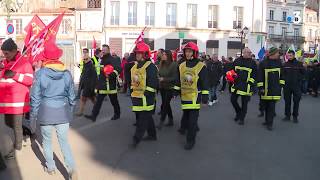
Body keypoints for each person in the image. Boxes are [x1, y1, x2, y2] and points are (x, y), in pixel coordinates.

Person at [30, 44, 77, 179]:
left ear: (45, 58)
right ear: (58, 57)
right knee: (64, 142)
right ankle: (71, 168)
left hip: (46, 113)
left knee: (47, 141)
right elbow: (72, 97)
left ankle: (50, 167)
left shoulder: (40, 74)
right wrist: (70, 112)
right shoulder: (67, 74)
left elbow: (35, 98)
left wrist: (33, 117)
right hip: (62, 112)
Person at [0, 38, 34, 159]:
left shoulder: (24, 62)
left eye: (6, 53)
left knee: (16, 125)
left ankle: (17, 148)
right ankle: (25, 130)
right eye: (3, 53)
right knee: (8, 123)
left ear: (14, 51)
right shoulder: (5, 62)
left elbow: (30, 80)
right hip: (6, 101)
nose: (4, 55)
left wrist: (15, 75)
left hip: (18, 101)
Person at [173, 42, 209, 150]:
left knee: (192, 120)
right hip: (184, 97)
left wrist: (205, 97)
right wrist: (175, 92)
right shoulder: (181, 65)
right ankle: (186, 127)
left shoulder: (200, 66)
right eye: (186, 51)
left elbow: (204, 82)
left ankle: (190, 140)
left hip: (195, 97)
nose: (187, 53)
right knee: (187, 115)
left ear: (194, 52)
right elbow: (178, 80)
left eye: (190, 51)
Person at [129, 42, 158, 148]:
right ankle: (152, 135)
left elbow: (153, 82)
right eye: (136, 53)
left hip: (146, 98)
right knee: (147, 118)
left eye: (140, 53)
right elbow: (132, 81)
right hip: (136, 97)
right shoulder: (135, 66)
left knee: (142, 120)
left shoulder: (150, 66)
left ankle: (136, 139)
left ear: (145, 54)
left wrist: (147, 93)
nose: (137, 55)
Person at [85, 44, 122, 122]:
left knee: (114, 102)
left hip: (110, 86)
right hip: (102, 85)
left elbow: (118, 69)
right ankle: (93, 116)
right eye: (103, 49)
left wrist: (111, 75)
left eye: (105, 49)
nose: (104, 51)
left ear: (109, 50)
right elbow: (100, 71)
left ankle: (117, 114)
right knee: (98, 102)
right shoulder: (101, 59)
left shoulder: (113, 59)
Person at [257, 47, 285, 131]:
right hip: (265, 89)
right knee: (265, 106)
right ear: (272, 54)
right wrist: (261, 87)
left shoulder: (279, 63)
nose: (278, 54)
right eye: (277, 53)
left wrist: (281, 85)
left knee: (272, 107)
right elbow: (260, 76)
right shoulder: (263, 63)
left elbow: (282, 75)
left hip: (275, 89)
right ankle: (267, 120)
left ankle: (270, 123)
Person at [230, 48, 257, 125]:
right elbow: (232, 71)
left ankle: (242, 118)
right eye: (248, 52)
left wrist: (250, 83)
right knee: (233, 100)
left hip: (246, 86)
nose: (250, 54)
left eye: (250, 52)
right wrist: (231, 77)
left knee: (244, 104)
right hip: (237, 85)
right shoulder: (237, 61)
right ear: (243, 53)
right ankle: (238, 113)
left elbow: (254, 75)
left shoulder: (253, 63)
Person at [282, 50, 305, 123]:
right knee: (287, 102)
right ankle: (287, 116)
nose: (289, 57)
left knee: (296, 102)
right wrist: (284, 82)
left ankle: (295, 117)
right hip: (287, 86)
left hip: (296, 86)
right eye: (288, 55)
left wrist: (299, 80)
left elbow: (304, 73)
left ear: (294, 55)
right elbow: (282, 75)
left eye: (291, 55)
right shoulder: (285, 64)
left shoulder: (299, 64)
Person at [157, 50, 178, 129]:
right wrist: (158, 77)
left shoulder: (174, 64)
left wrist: (164, 79)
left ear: (169, 56)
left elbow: (175, 78)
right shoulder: (161, 64)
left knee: (165, 105)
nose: (163, 55)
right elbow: (159, 74)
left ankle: (161, 122)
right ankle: (171, 120)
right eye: (163, 54)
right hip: (162, 87)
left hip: (170, 88)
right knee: (166, 104)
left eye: (165, 54)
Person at [75, 48, 98, 116]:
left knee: (83, 98)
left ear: (89, 59)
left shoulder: (91, 66)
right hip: (85, 85)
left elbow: (94, 77)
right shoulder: (85, 66)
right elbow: (83, 75)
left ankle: (81, 112)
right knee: (92, 98)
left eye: (86, 59)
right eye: (84, 59)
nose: (85, 60)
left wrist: (94, 86)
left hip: (89, 86)